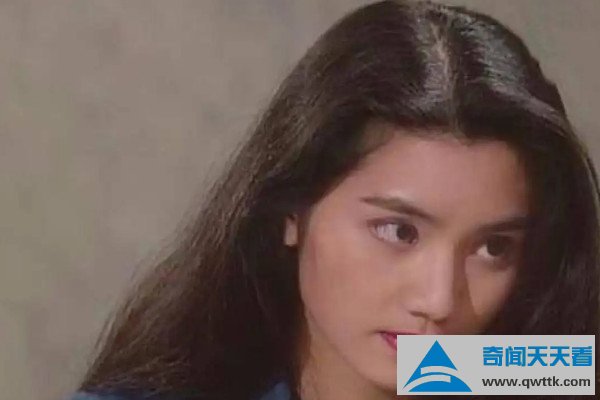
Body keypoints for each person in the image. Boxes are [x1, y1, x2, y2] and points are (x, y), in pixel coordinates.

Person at [71, 1, 599, 399]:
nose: (439, 301)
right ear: (293, 210)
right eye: (399, 232)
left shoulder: (537, 374)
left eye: (492, 248)